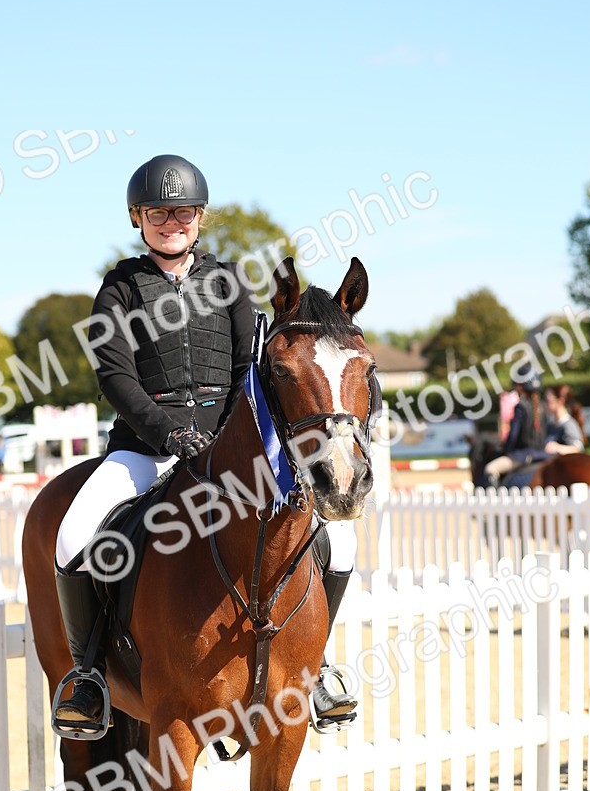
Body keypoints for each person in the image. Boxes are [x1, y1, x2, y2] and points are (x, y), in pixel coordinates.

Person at [53, 154, 360, 735]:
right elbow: (114, 376)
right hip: (144, 452)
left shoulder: (229, 283)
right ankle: (88, 676)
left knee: (338, 540)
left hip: (226, 450)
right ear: (137, 219)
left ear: (200, 217)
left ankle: (314, 670)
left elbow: (253, 365)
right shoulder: (119, 289)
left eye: (184, 211)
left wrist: (234, 435)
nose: (172, 222)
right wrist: (167, 431)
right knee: (73, 535)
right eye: (158, 212)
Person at [483, 366, 548, 487]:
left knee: (490, 469)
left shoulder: (521, 407)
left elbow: (513, 435)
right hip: (543, 454)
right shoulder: (543, 406)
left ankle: (497, 500)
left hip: (523, 456)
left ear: (520, 386)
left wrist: (506, 450)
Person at [543, 385, 585, 455]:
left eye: (548, 400)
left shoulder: (569, 425)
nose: (545, 403)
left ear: (560, 401)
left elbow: (578, 448)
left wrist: (558, 448)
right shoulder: (551, 424)